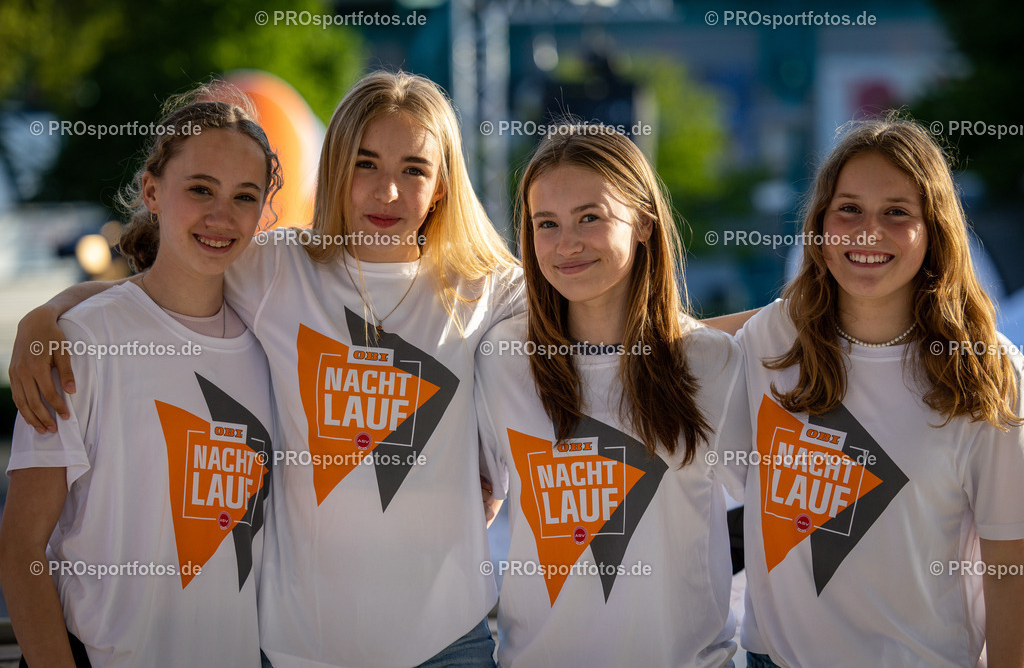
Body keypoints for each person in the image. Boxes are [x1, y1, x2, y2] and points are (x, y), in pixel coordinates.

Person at [9, 70, 523, 667]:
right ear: (333, 169)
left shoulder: (491, 289)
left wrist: (495, 468)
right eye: (365, 163)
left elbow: (590, 318)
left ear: (440, 186)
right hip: (298, 649)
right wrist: (44, 316)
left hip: (449, 642)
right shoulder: (279, 267)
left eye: (413, 168)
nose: (386, 192)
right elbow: (161, 279)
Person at [0, 87, 281, 666]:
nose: (221, 216)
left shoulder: (272, 341)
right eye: (200, 188)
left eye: (245, 197)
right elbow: (21, 548)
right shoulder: (79, 341)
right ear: (152, 190)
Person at [734, 118, 1024, 667]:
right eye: (849, 210)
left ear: (933, 229)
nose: (868, 232)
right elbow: (661, 345)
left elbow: (1009, 565)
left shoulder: (989, 373)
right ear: (819, 226)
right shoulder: (772, 339)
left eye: (897, 212)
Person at [475, 125, 749, 666]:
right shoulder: (501, 356)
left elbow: (779, 509)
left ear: (644, 221)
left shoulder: (713, 363)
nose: (566, 242)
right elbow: (473, 497)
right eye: (545, 224)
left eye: (590, 217)